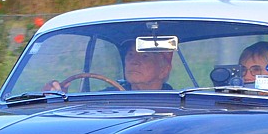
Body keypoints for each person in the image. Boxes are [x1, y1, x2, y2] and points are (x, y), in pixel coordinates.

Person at [44, 41, 173, 92]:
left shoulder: (176, 103)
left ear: (163, 70)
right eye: (130, 55)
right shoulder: (108, 96)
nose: (134, 61)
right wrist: (58, 95)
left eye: (145, 56)